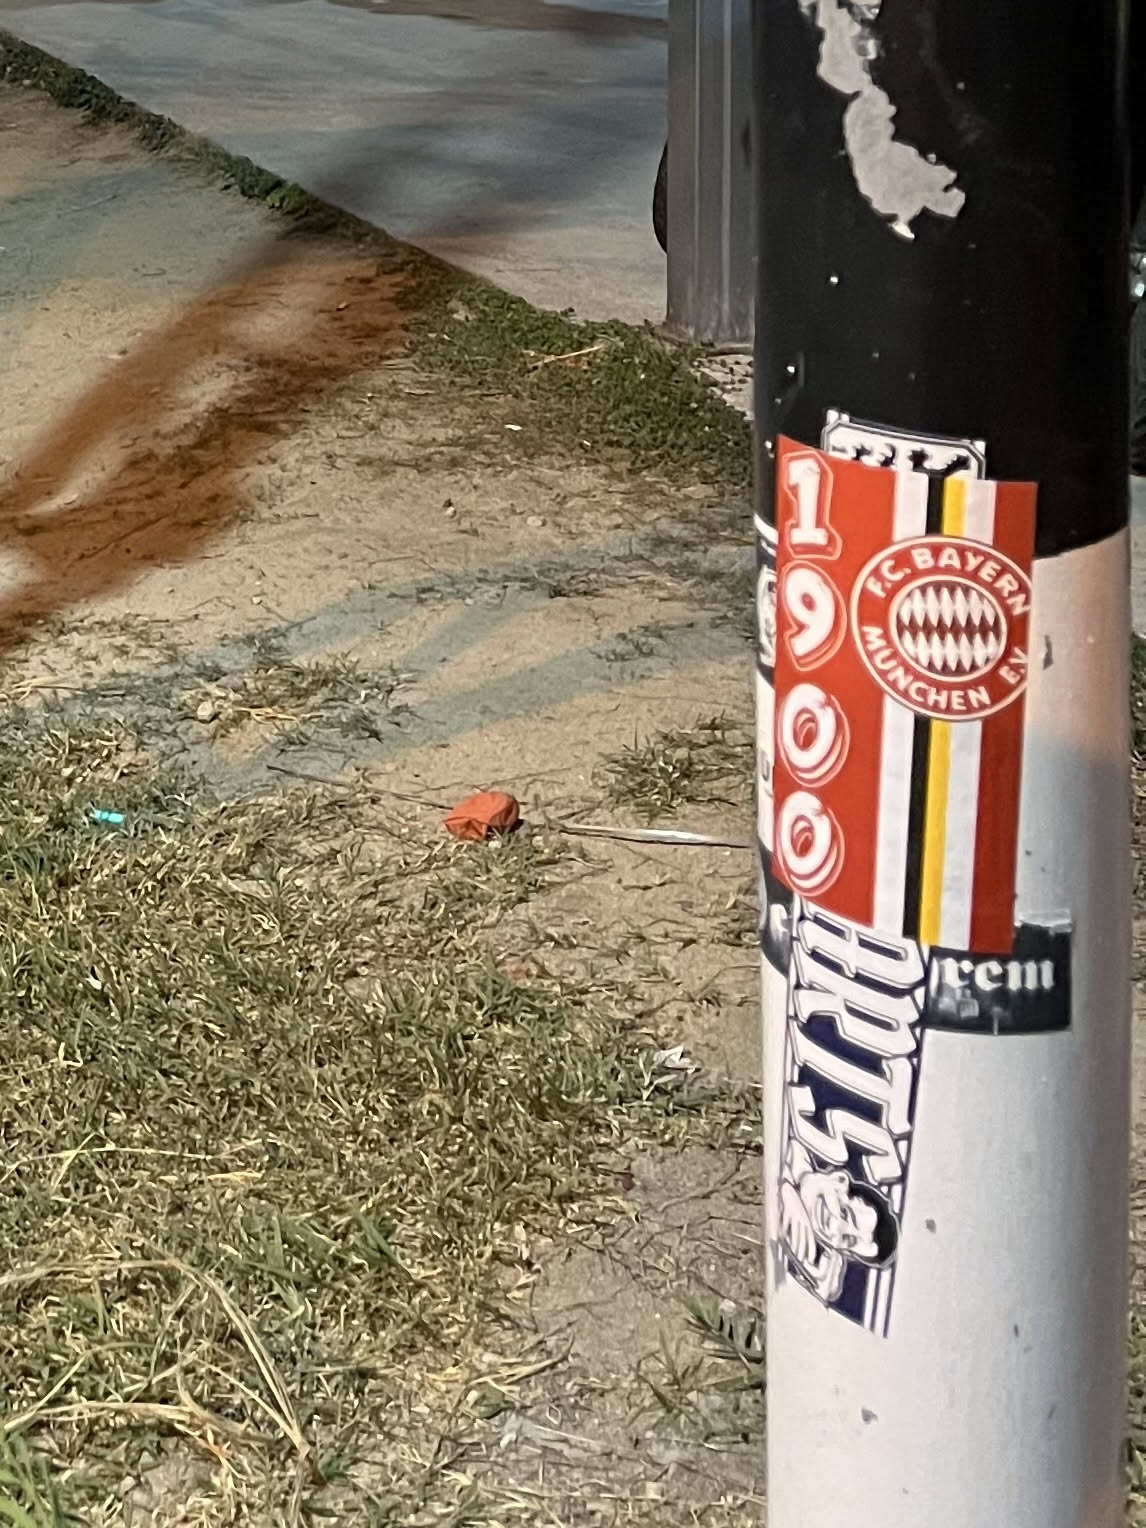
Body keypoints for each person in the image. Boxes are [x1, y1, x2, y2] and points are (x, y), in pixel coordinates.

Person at [778, 1138, 899, 1304]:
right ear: (839, 1179)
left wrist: (815, 1299)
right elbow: (788, 1154)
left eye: (845, 1239)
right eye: (844, 1213)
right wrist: (786, 1192)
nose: (833, 1227)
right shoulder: (789, 1151)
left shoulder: (807, 1255)